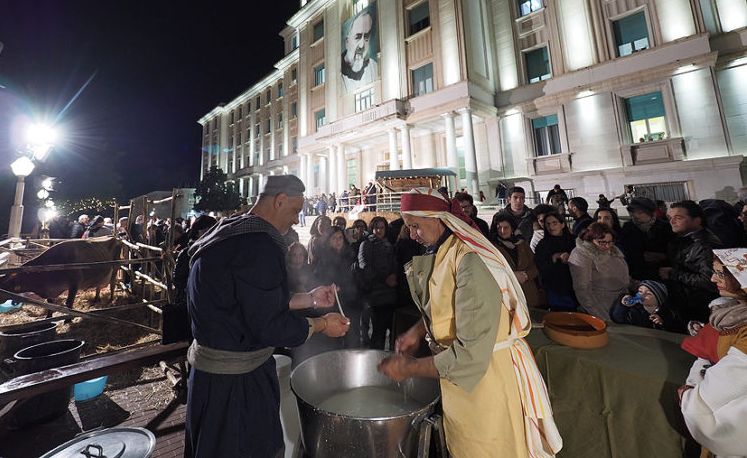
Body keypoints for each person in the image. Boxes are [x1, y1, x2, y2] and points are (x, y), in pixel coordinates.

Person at [377, 188, 561, 458]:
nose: (413, 235)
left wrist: (410, 368)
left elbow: (471, 355)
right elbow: (448, 305)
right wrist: (417, 331)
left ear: (439, 218)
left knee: (490, 448)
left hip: (487, 382)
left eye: (415, 226)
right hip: (462, 383)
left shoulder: (469, 260)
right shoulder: (444, 251)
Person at [184, 175, 349, 458]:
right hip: (235, 386)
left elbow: (250, 303)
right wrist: (322, 324)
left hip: (208, 377)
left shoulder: (229, 231)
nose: (297, 221)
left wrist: (310, 297)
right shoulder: (259, 244)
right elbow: (270, 326)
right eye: (296, 211)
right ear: (280, 200)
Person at [677, 255, 747, 458]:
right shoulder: (734, 314)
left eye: (720, 274)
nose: (712, 279)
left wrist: (689, 397)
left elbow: (731, 380)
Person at [663, 200, 720, 322]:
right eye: (670, 218)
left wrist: (673, 274)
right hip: (686, 303)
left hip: (702, 308)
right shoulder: (681, 240)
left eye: (678, 218)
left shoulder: (704, 244)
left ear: (697, 220)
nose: (672, 222)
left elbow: (709, 280)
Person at [567, 222, 630, 322]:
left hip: (619, 306)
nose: (607, 246)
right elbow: (583, 289)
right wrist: (603, 318)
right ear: (590, 239)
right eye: (602, 242)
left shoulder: (613, 251)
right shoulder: (582, 255)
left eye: (610, 242)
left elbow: (622, 276)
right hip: (599, 308)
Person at [357, 216, 398, 349]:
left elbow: (394, 264)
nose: (379, 230)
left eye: (382, 227)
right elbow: (365, 267)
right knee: (378, 333)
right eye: (376, 227)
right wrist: (384, 279)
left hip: (391, 295)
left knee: (393, 332)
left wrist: (394, 275)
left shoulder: (389, 245)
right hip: (376, 295)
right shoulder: (366, 244)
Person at [491, 214, 540, 308]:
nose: (502, 231)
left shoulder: (522, 243)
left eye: (506, 228)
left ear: (512, 228)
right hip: (507, 295)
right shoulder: (493, 247)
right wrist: (512, 276)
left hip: (528, 293)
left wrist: (525, 275)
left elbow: (534, 265)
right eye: (499, 228)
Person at [620, 196, 673, 281]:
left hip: (661, 272)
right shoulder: (628, 227)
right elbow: (625, 249)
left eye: (640, 212)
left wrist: (664, 256)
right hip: (637, 274)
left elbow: (675, 250)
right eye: (633, 212)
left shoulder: (666, 227)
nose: (635, 215)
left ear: (649, 213)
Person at [534, 211, 578, 311]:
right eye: (548, 224)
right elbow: (540, 266)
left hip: (575, 284)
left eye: (554, 223)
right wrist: (554, 258)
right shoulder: (543, 244)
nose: (551, 227)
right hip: (555, 287)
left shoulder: (574, 240)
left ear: (562, 224)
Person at [611, 279, 685, 333]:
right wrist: (622, 306)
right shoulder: (634, 310)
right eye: (640, 291)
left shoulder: (668, 313)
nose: (642, 295)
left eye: (648, 294)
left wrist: (662, 323)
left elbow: (678, 329)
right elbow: (618, 320)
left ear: (658, 299)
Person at [341, 10, 378, 94]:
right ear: (347, 42)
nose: (361, 45)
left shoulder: (374, 67)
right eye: (357, 37)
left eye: (366, 37)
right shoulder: (337, 76)